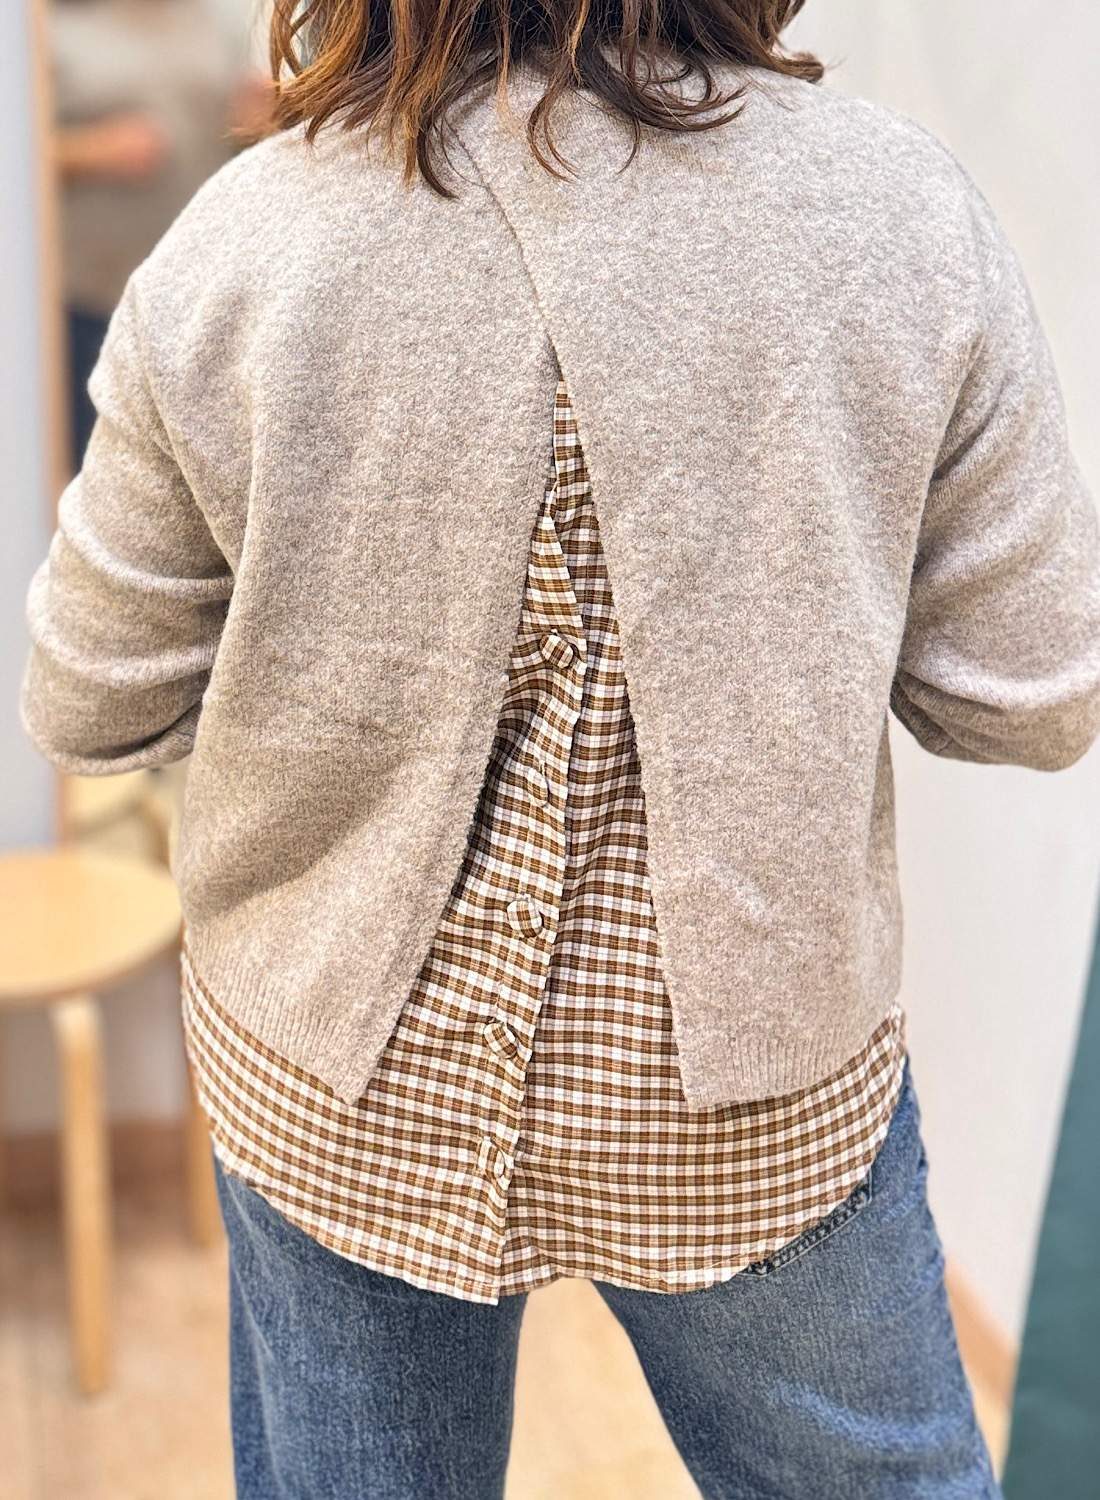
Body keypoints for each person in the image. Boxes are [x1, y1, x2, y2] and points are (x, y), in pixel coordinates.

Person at [20, 0, 1100, 1493]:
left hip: (336, 1077)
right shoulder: (901, 210)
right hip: (750, 1088)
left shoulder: (243, 240)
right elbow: (1027, 693)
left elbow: (89, 699)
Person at [49, 0, 274, 468]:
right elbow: (20, 152)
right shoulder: (55, 27)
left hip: (190, 295)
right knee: (99, 465)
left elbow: (238, 126)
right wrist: (94, 150)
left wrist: (255, 119)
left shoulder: (212, 19)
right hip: (90, 295)